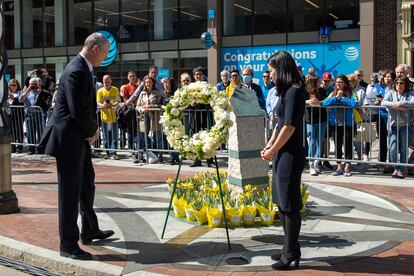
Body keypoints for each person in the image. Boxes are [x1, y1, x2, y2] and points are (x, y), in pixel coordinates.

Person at [40, 32, 114, 260]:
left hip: (78, 138)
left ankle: (89, 229)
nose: (106, 56)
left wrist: (89, 130)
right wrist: (92, 130)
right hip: (69, 141)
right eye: (104, 52)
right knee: (70, 192)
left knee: (86, 185)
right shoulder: (76, 71)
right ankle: (68, 244)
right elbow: (77, 109)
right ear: (94, 48)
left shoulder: (84, 68)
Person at [261, 51, 305, 270]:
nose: (269, 73)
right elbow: (278, 123)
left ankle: (290, 253)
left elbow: (289, 126)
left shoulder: (295, 92)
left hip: (291, 153)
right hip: (281, 151)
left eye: (271, 69)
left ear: (281, 69)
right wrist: (270, 145)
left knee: (289, 204)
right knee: (281, 200)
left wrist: (273, 150)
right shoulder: (286, 91)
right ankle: (290, 246)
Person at [322, 75, 357, 177]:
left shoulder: (351, 93)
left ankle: (347, 167)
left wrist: (343, 98)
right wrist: (336, 97)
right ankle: (339, 167)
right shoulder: (333, 93)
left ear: (345, 83)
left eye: (341, 82)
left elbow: (354, 104)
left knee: (348, 145)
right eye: (337, 82)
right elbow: (324, 103)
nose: (339, 84)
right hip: (336, 123)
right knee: (337, 145)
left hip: (348, 123)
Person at [381, 76, 414, 179]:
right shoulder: (391, 93)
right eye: (397, 83)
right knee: (393, 148)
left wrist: (403, 103)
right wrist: (394, 104)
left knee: (404, 148)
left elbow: (413, 102)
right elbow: (383, 102)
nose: (398, 85)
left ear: (406, 85)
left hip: (405, 125)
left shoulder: (410, 94)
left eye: (401, 83)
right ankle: (396, 167)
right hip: (393, 125)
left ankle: (402, 170)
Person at [136, 75, 164, 163]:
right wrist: (142, 109)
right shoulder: (142, 93)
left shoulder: (158, 93)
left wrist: (150, 106)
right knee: (143, 137)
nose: (148, 84)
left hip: (155, 118)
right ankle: (142, 155)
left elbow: (160, 105)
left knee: (157, 137)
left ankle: (159, 155)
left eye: (150, 82)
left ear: (153, 83)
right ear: (144, 83)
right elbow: (137, 106)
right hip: (144, 118)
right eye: (146, 82)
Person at [19, 78, 51, 154]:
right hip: (29, 115)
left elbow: (47, 101)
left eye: (35, 84)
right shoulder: (27, 92)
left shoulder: (42, 92)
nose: (34, 86)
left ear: (39, 84)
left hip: (40, 114)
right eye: (32, 84)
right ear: (29, 85)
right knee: (30, 132)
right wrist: (27, 91)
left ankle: (41, 149)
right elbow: (21, 100)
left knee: (41, 132)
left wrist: (40, 93)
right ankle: (31, 149)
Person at [305, 77, 327, 176]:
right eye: (318, 81)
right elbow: (301, 101)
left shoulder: (322, 90)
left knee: (320, 141)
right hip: (310, 119)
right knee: (312, 141)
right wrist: (308, 101)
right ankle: (311, 164)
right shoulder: (306, 91)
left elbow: (326, 101)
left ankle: (316, 163)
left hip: (322, 118)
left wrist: (320, 102)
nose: (320, 83)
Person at [96, 75, 121, 160]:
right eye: (105, 82)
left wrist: (112, 105)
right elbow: (98, 102)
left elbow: (118, 100)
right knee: (106, 136)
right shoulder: (100, 91)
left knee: (114, 136)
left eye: (108, 81)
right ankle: (107, 152)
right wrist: (103, 105)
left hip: (114, 117)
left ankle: (113, 152)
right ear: (103, 82)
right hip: (104, 117)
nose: (106, 83)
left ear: (111, 81)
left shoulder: (115, 89)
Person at [162, 78, 180, 165]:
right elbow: (160, 104)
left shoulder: (175, 93)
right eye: (164, 83)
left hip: (176, 120)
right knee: (169, 138)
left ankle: (177, 156)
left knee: (176, 137)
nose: (165, 84)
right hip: (167, 120)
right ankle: (172, 157)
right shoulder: (163, 94)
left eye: (167, 83)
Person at [7, 79, 24, 153]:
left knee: (18, 131)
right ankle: (12, 146)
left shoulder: (20, 92)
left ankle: (19, 147)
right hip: (8, 114)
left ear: (17, 85)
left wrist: (14, 99)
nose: (13, 87)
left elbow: (21, 102)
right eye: (11, 85)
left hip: (18, 114)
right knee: (11, 131)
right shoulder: (7, 93)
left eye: (14, 85)